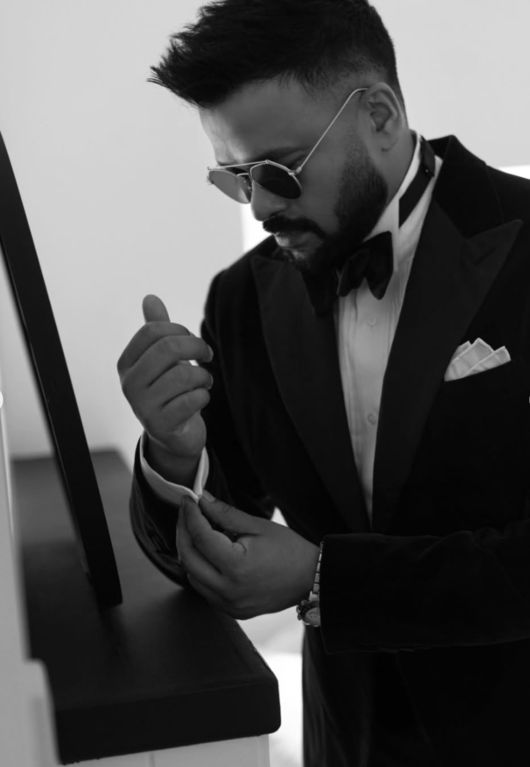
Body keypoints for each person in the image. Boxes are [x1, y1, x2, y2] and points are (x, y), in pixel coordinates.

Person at [117, 1, 530, 764]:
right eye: (237, 177)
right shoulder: (242, 299)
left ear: (379, 116)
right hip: (346, 740)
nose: (262, 207)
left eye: (279, 169)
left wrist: (325, 577)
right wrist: (174, 454)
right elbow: (209, 553)